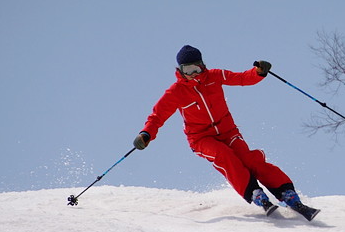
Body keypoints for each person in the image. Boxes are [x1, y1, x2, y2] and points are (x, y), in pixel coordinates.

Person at [133, 45, 319, 221]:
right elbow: (157, 116)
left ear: (202, 65)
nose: (193, 74)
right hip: (201, 138)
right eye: (187, 70)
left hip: (228, 131)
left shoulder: (215, 76)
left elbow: (241, 78)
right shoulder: (176, 92)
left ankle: (286, 192)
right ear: (180, 70)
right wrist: (146, 134)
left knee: (249, 159)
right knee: (225, 156)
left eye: (196, 69)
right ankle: (254, 192)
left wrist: (258, 72)